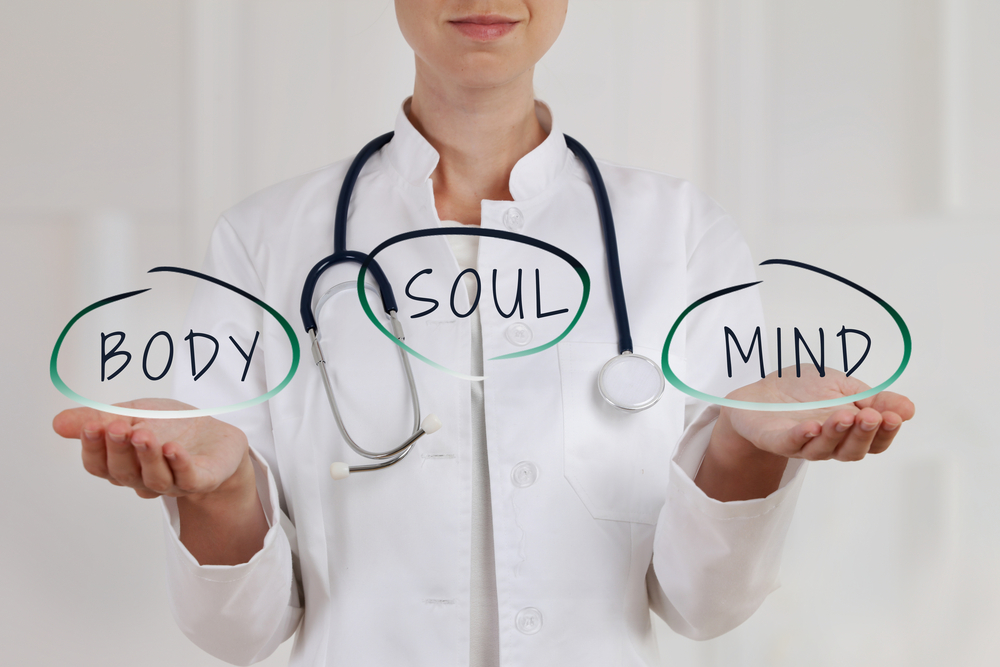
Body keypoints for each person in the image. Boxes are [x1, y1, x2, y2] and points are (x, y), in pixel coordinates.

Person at [53, 2, 915, 665]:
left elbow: (702, 606)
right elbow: (241, 631)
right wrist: (219, 487)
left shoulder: (679, 233)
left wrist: (746, 448)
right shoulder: (265, 239)